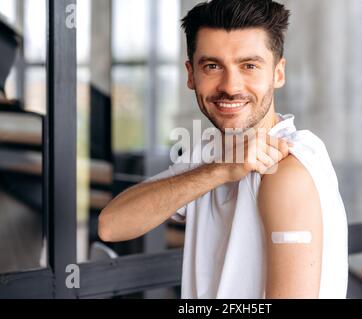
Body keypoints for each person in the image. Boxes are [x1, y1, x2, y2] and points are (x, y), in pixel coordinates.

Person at [99, 0, 348, 299]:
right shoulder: (210, 155)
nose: (230, 86)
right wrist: (221, 170)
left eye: (249, 66)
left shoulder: (287, 168)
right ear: (191, 75)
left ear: (278, 74)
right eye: (213, 66)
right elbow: (111, 226)